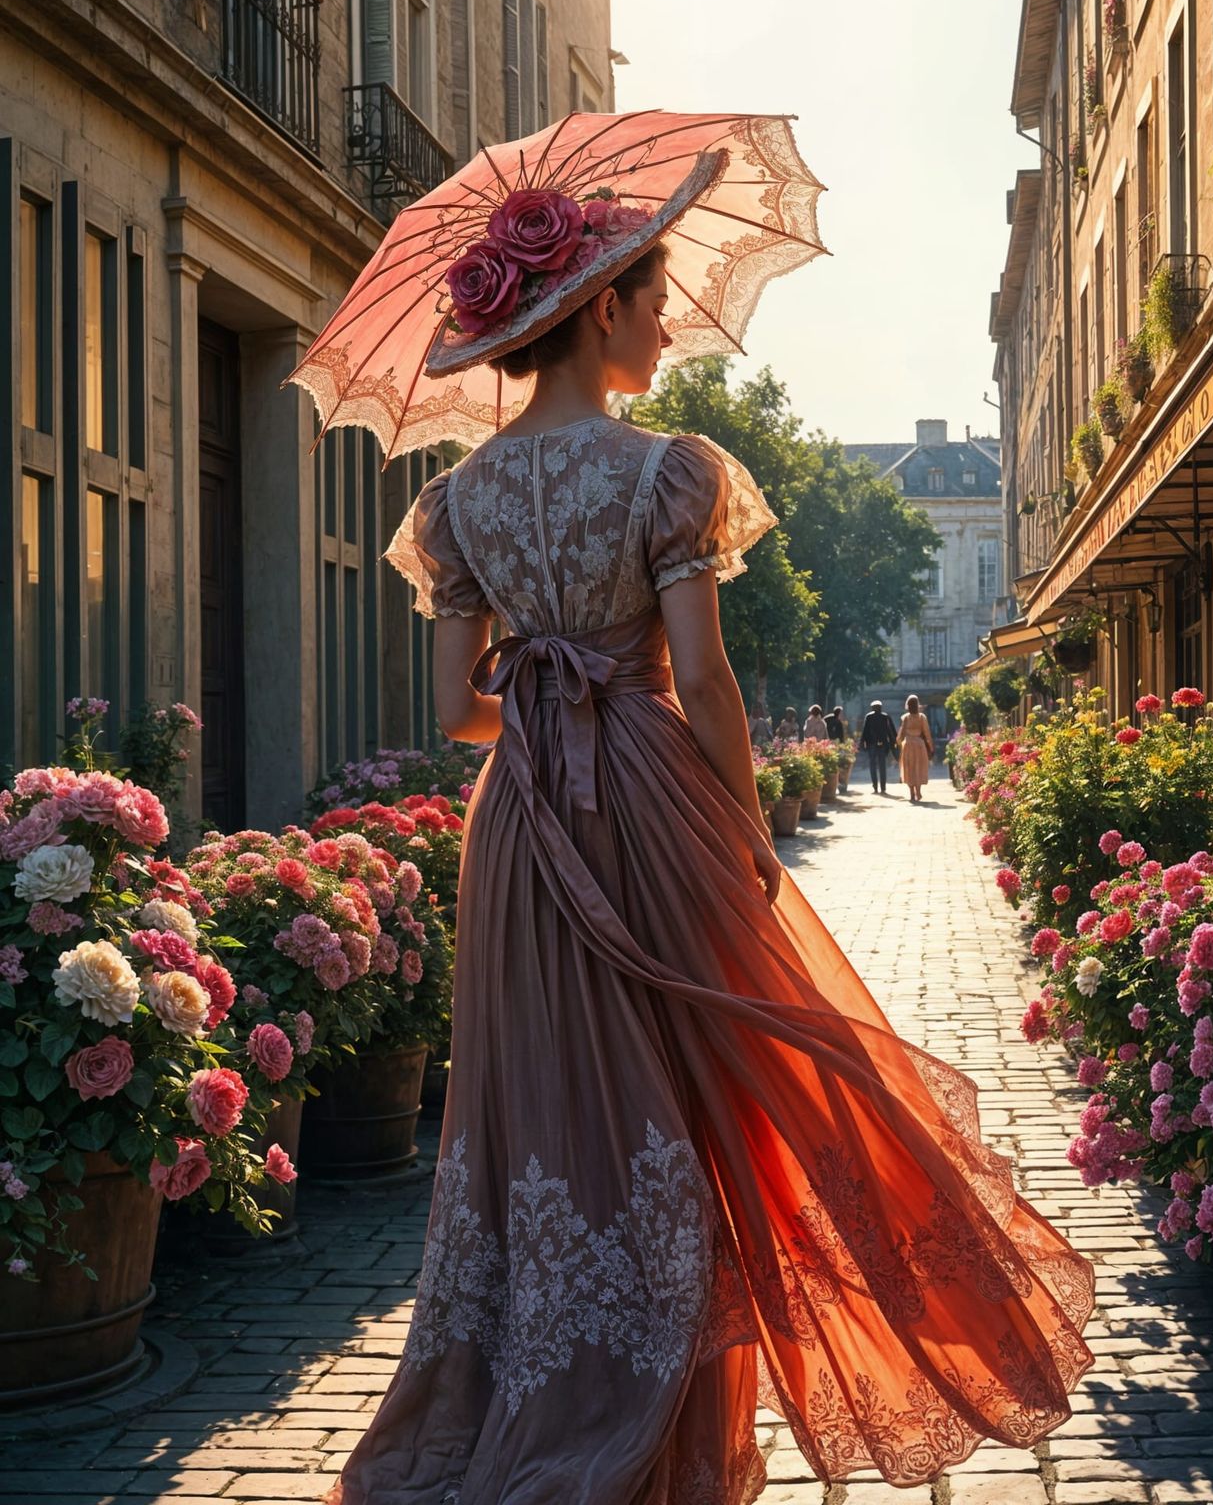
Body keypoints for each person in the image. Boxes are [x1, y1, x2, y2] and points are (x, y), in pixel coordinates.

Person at [325, 167, 1092, 1505]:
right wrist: (738, 825)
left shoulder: (458, 506)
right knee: (700, 1078)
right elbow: (710, 679)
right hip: (648, 803)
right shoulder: (669, 475)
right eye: (654, 301)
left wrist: (540, 681)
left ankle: (533, 1385)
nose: (667, 327)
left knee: (535, 1104)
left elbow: (455, 712)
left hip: (520, 831)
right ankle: (672, 1424)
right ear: (599, 306)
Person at [897, 694, 935, 803]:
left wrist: (898, 743)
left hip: (908, 744)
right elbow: (927, 734)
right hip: (919, 745)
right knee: (918, 768)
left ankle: (912, 794)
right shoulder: (922, 717)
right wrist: (931, 747)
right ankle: (918, 791)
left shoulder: (905, 718)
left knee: (909, 769)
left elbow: (901, 734)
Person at [858, 699, 898, 794]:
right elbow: (891, 731)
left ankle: (875, 787)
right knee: (882, 766)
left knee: (873, 766)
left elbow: (865, 731)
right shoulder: (885, 717)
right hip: (883, 745)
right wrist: (894, 742)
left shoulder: (869, 717)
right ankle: (883, 787)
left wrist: (862, 743)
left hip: (872, 745)